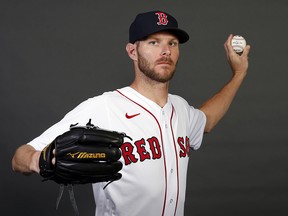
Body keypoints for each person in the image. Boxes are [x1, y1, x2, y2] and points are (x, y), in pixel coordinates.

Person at [12, 10, 251, 216]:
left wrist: (238, 74)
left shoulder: (181, 108)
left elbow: (206, 120)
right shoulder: (104, 107)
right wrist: (38, 160)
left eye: (172, 43)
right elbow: (20, 157)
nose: (165, 50)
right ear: (132, 51)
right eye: (153, 42)